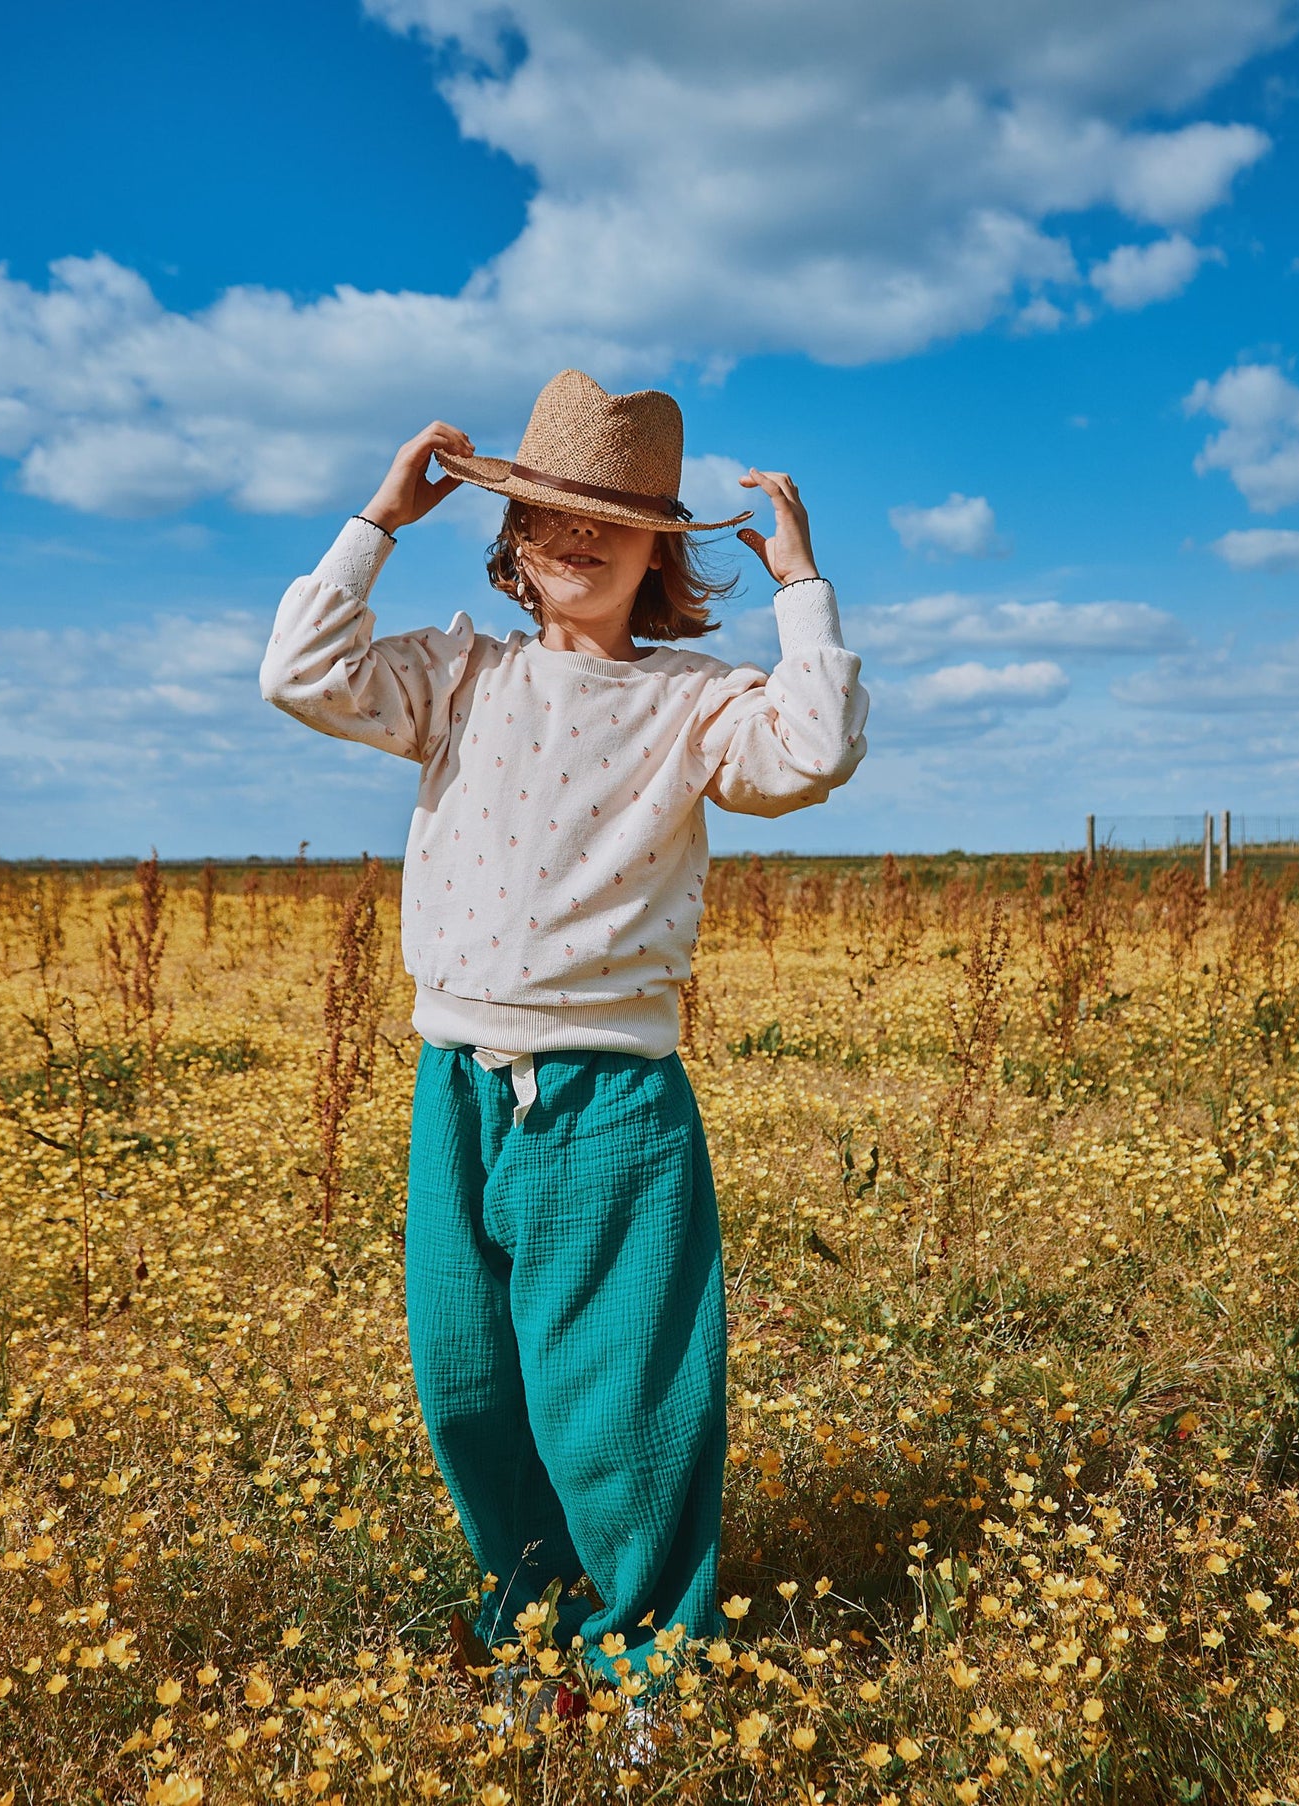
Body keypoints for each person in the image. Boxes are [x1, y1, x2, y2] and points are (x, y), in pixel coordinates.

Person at [259, 369, 869, 1703]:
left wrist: (802, 589)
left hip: (610, 1098)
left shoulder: (699, 700)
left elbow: (813, 754)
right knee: (469, 1383)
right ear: (510, 537)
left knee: (622, 1396)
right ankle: (536, 1623)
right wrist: (377, 520)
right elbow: (298, 672)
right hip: (456, 1082)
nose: (575, 537)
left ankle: (651, 1663)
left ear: (660, 551)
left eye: (611, 520)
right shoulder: (454, 675)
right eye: (546, 514)